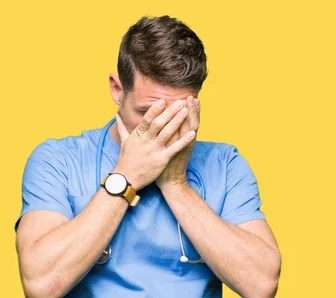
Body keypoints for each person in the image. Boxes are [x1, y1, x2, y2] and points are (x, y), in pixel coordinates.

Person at [14, 16, 282, 297]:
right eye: (147, 114)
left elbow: (261, 285)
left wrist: (176, 184)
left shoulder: (226, 165)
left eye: (176, 115)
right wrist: (125, 177)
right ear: (117, 89)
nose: (161, 129)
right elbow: (40, 285)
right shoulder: (58, 160)